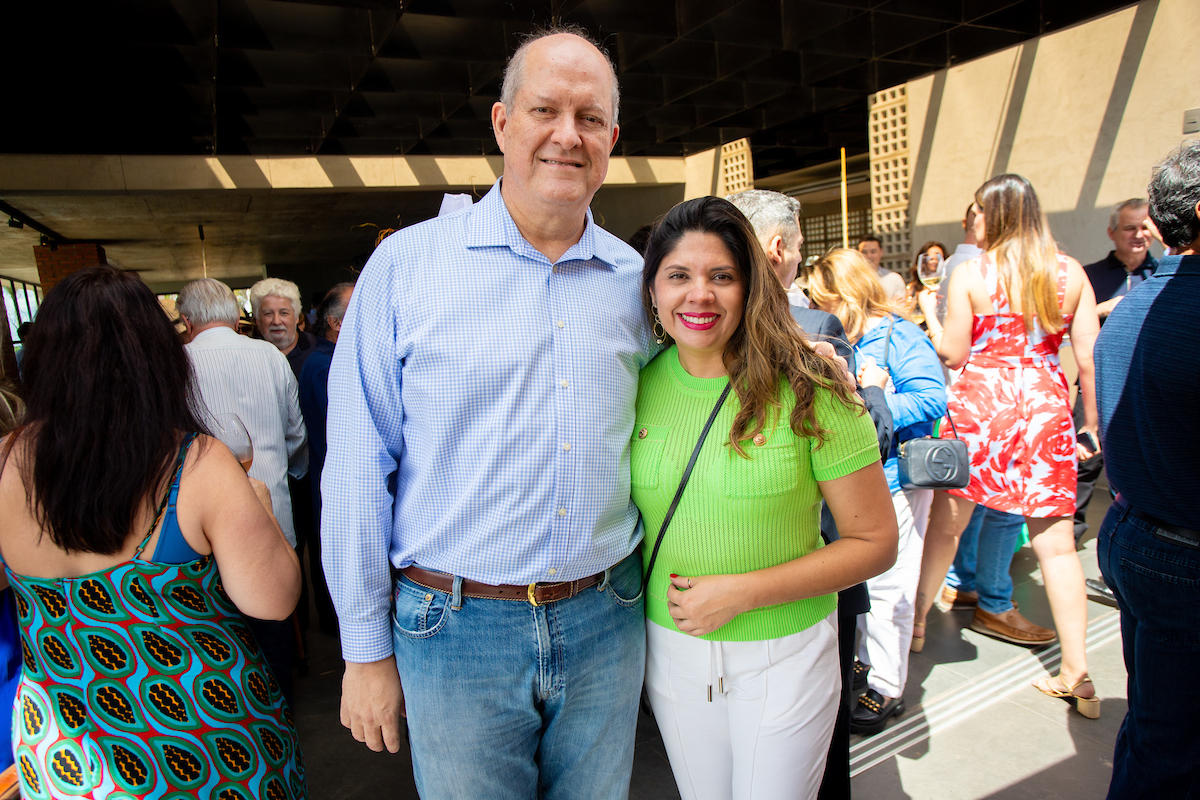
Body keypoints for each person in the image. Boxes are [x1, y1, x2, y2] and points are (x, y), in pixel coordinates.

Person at [323, 26, 657, 799]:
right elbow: (355, 464)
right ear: (503, 123)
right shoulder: (408, 266)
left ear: (613, 138)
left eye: (590, 118)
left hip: (608, 617)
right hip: (455, 630)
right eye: (545, 110)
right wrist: (364, 649)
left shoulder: (636, 283)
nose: (567, 136)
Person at [0, 266, 304, 798]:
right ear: (158, 358)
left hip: (70, 758)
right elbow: (274, 600)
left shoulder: (5, 464)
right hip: (210, 742)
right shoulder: (198, 462)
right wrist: (262, 508)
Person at [632, 196, 898, 799]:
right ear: (652, 290)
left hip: (787, 655)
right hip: (672, 652)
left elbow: (876, 542)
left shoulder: (812, 386)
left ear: (750, 285)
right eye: (678, 276)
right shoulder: (633, 384)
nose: (699, 295)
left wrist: (741, 593)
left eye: (721, 276)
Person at [914, 174, 1101, 717]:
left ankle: (919, 625)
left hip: (981, 407)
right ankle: (1077, 672)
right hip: (1044, 405)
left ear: (993, 215)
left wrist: (933, 316)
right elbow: (1088, 358)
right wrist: (1092, 425)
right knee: (1057, 546)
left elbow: (953, 352)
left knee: (947, 527)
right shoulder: (1069, 273)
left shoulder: (974, 273)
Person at [727, 188, 892, 799]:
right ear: (777, 249)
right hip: (815, 562)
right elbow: (862, 442)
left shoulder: (689, 332)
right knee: (818, 752)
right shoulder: (816, 329)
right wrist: (870, 392)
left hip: (716, 573)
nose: (797, 263)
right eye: (796, 253)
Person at [1094, 139, 1200, 797]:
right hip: (1177, 553)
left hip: (1139, 537)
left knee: (1158, 730)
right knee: (1171, 753)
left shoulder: (1136, 303)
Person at [806, 248, 946, 735]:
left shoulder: (899, 334)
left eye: (823, 296)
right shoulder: (838, 336)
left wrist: (871, 399)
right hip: (854, 482)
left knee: (891, 590)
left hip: (898, 480)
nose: (814, 303)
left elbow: (932, 397)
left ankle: (886, 685)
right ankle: (866, 664)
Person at [178, 277, 308, 703]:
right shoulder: (270, 356)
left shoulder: (176, 362)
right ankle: (281, 713)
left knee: (216, 634)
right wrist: (292, 474)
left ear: (185, 320)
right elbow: (295, 432)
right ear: (237, 317)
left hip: (199, 528)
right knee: (273, 629)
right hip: (271, 513)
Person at [1075, 199, 1160, 547]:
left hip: (1145, 388)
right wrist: (1102, 309)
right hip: (1095, 387)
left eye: (1145, 227)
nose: (1138, 235)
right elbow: (1064, 326)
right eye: (1129, 228)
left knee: (1137, 472)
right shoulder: (1090, 275)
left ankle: (1132, 547)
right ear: (1112, 233)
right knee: (1082, 465)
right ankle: (1070, 540)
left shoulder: (1165, 272)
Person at [297, 281, 355, 637]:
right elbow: (345, 431)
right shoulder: (323, 366)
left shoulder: (328, 360)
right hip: (337, 487)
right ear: (335, 323)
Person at [857, 234, 906, 300]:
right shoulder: (851, 279)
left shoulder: (894, 279)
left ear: (881, 251)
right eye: (864, 252)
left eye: (873, 252)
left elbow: (900, 307)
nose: (869, 256)